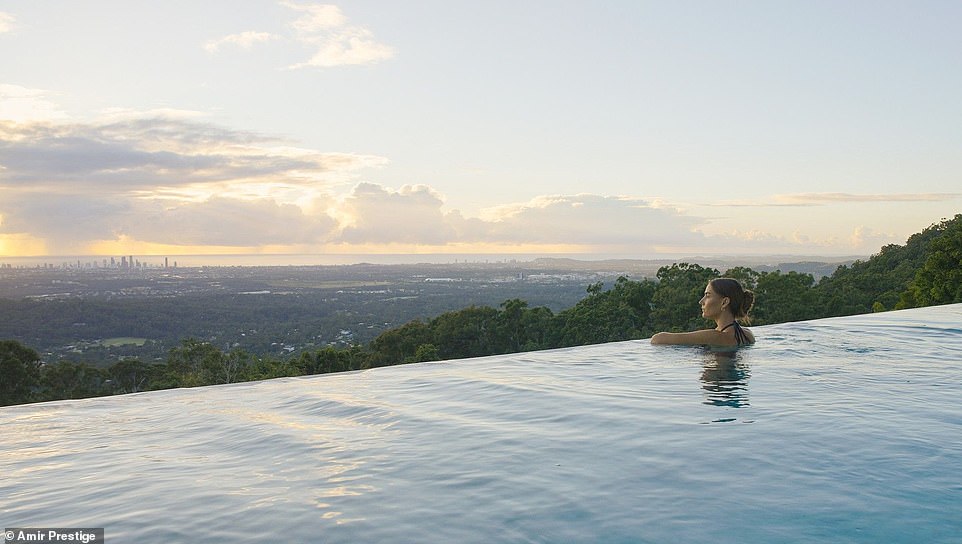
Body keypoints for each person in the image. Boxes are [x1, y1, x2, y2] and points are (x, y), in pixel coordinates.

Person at [651, 278, 756, 346]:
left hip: (720, 380)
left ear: (724, 302)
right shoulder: (747, 335)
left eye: (708, 296)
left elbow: (657, 339)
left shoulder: (713, 337)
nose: (701, 301)